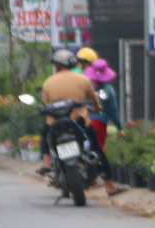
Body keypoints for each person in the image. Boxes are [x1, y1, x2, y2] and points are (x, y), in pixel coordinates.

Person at [39, 47, 124, 197]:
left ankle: (46, 162)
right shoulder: (83, 79)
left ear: (57, 65)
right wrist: (96, 108)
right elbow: (93, 99)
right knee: (97, 149)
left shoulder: (48, 82)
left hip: (55, 123)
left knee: (44, 133)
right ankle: (109, 185)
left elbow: (45, 104)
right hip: (79, 121)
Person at [83, 58, 122, 150]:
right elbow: (112, 110)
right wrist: (119, 127)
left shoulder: (85, 88)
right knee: (99, 149)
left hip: (84, 121)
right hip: (100, 123)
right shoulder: (108, 90)